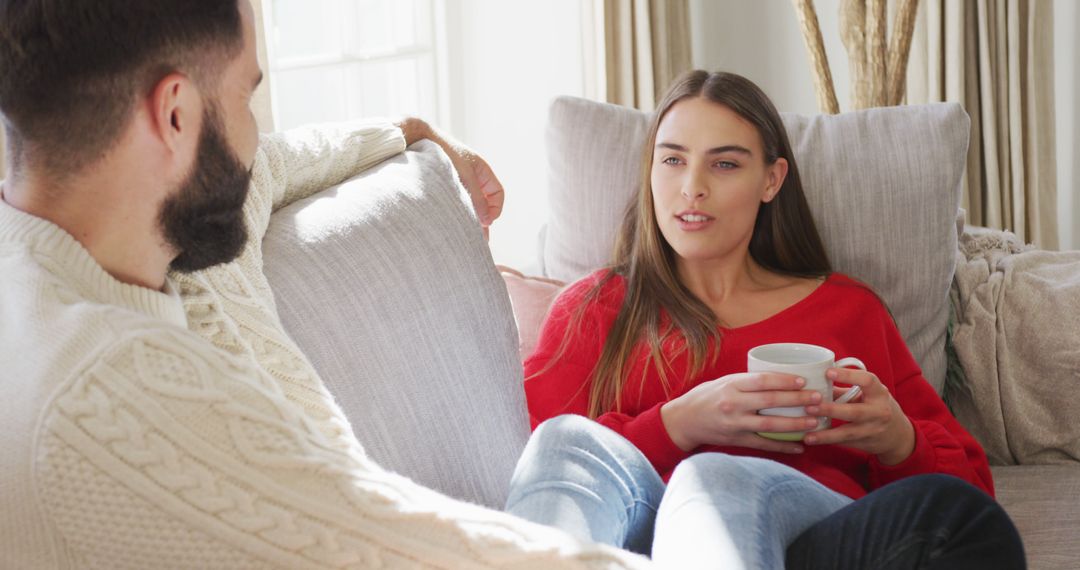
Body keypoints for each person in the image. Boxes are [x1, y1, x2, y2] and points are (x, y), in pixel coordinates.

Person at [0, 1, 656, 567]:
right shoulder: (107, 391)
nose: (255, 133)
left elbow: (278, 163)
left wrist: (417, 135)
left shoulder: (172, 241)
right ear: (175, 115)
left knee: (647, 464)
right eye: (245, 96)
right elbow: (412, 550)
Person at [510, 70, 1026, 569]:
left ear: (771, 180)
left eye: (725, 165)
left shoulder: (847, 309)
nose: (692, 187)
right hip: (638, 531)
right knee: (563, 441)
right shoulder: (595, 308)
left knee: (954, 518)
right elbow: (524, 460)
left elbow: (972, 489)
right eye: (672, 160)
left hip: (816, 535)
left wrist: (897, 440)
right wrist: (679, 424)